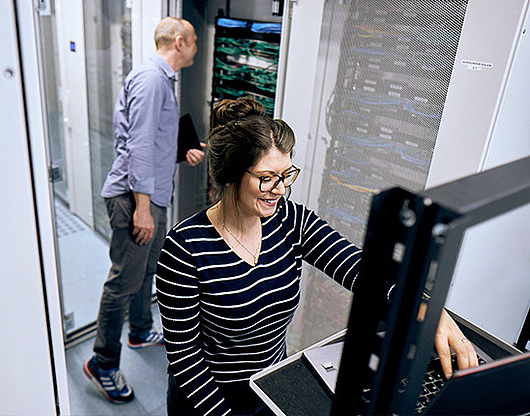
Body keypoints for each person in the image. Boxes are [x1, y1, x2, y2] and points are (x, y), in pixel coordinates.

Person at [155, 97, 479, 416]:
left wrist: (423, 308)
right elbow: (186, 361)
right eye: (266, 178)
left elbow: (358, 268)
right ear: (230, 174)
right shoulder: (185, 248)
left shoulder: (290, 220)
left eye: (286, 174)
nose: (280, 189)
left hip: (268, 386)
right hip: (208, 397)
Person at [83, 17, 205, 404]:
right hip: (136, 199)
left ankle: (139, 329)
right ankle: (102, 363)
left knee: (148, 269)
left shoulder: (161, 79)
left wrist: (178, 152)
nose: (197, 47)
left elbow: (153, 141)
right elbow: (137, 146)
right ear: (180, 41)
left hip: (151, 194)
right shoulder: (153, 80)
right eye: (195, 41)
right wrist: (142, 209)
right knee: (122, 282)